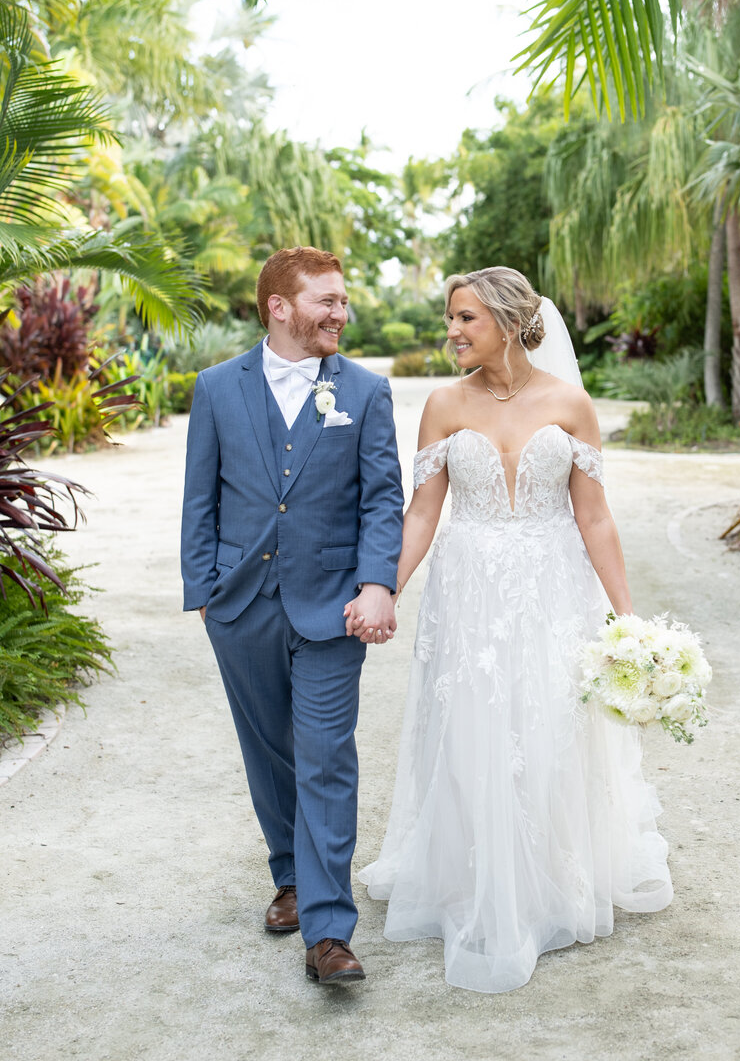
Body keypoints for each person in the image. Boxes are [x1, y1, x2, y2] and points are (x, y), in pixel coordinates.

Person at [352, 266, 672, 993]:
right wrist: (385, 589)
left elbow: (593, 516)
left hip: (554, 589)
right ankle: (477, 878)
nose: (452, 332)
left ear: (505, 319)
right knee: (472, 728)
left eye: (465, 318)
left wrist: (630, 622)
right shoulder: (441, 404)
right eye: (450, 318)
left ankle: (550, 882)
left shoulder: (570, 402)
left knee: (550, 727)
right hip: (468, 594)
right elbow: (424, 513)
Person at [181, 246, 403, 985]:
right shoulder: (216, 388)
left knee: (326, 755)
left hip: (334, 605)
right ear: (279, 306)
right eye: (326, 301)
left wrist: (379, 584)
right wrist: (205, 591)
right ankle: (291, 876)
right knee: (268, 752)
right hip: (240, 604)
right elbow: (200, 498)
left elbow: (381, 497)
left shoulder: (366, 393)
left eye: (343, 301)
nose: (341, 313)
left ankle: (329, 930)